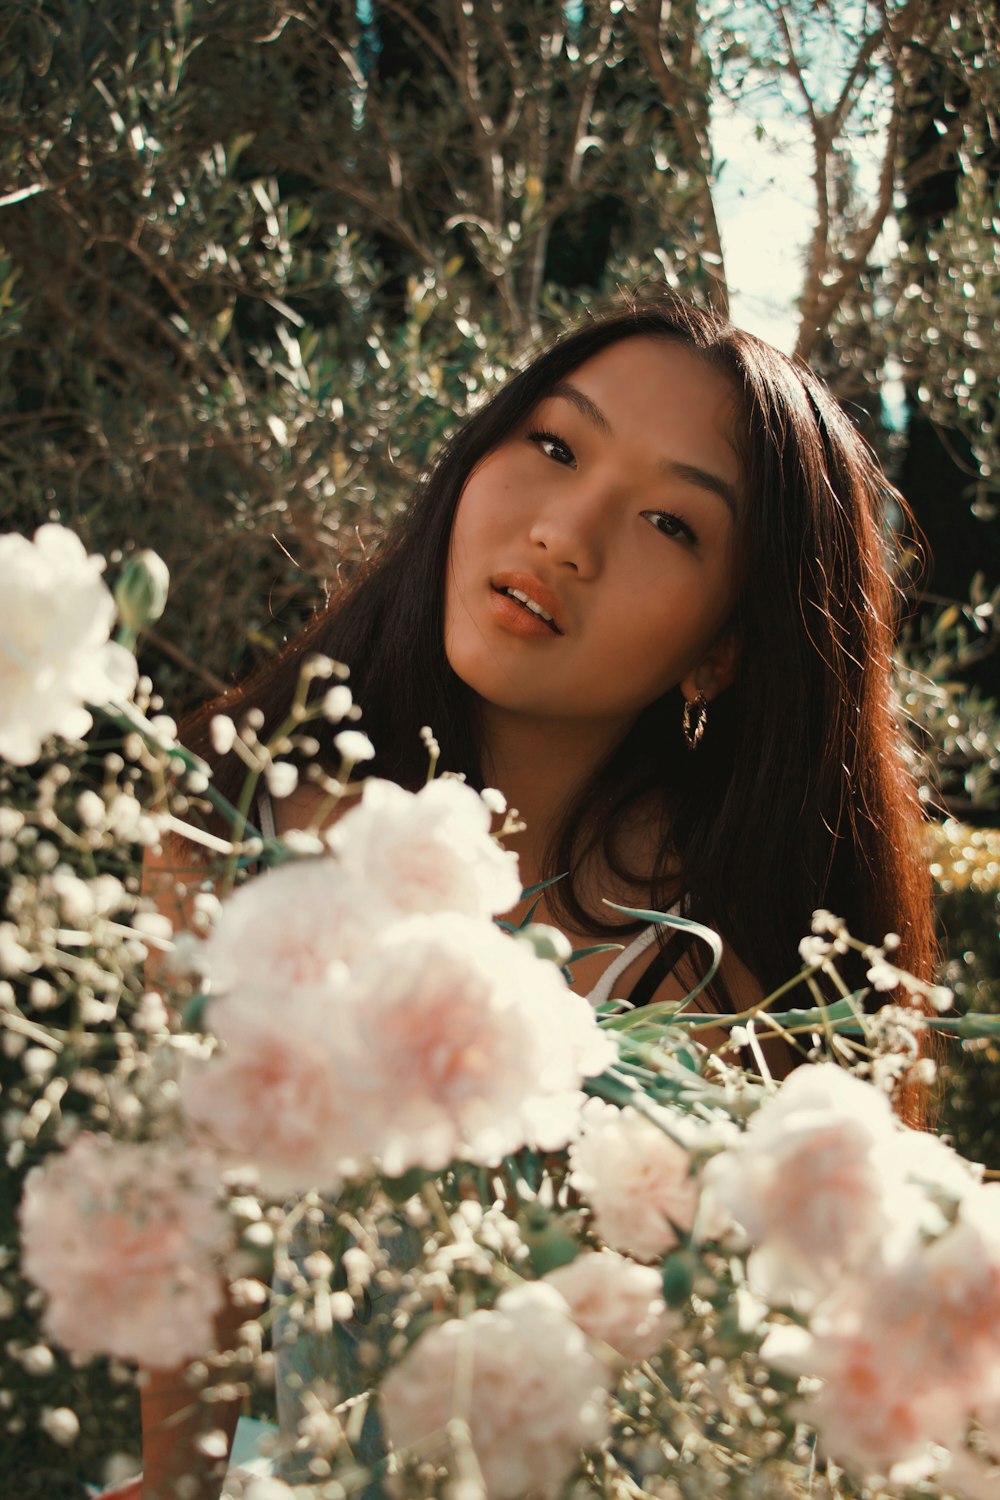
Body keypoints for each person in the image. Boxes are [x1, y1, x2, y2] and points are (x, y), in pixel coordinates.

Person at [139, 295, 935, 1497]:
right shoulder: (228, 830)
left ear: (723, 648)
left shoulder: (729, 987)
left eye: (670, 522)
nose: (566, 532)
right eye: (554, 446)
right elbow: (187, 1283)